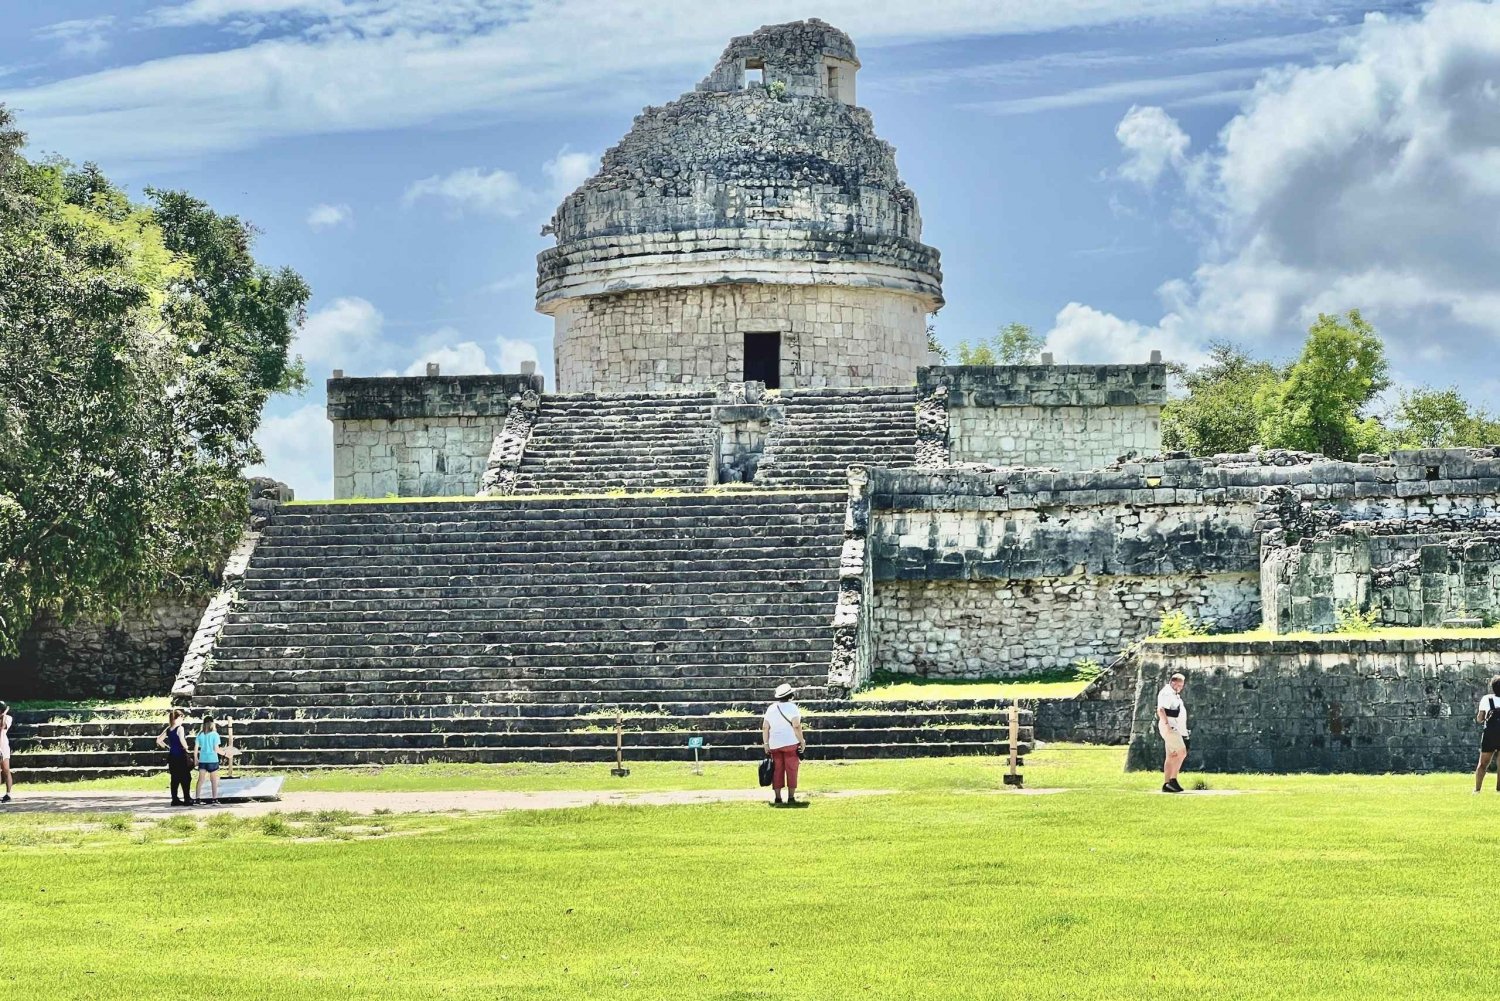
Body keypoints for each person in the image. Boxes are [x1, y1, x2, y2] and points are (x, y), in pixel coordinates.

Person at [762, 682, 807, 808]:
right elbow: (796, 726)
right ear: (790, 695)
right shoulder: (793, 708)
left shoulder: (771, 708)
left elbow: (765, 727)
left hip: (775, 743)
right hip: (790, 742)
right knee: (792, 769)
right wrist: (802, 741)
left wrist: (766, 743)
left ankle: (777, 797)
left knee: (777, 770)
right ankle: (791, 796)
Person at [1156, 672, 1189, 794]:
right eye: (1179, 684)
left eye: (1182, 685)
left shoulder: (1174, 694)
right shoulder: (1167, 693)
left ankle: (1166, 784)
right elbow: (1161, 709)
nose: (1181, 687)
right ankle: (1172, 779)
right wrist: (1166, 725)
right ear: (1173, 682)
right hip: (1170, 727)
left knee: (1171, 756)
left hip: (1175, 727)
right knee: (1182, 752)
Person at [155, 708, 195, 807]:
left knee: (175, 778)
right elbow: (182, 740)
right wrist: (186, 747)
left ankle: (175, 799)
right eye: (182, 717)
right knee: (186, 777)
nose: (182, 720)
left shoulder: (168, 729)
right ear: (177, 718)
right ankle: (187, 798)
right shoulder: (179, 728)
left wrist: (167, 746)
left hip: (172, 756)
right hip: (181, 756)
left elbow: (159, 740)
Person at [1474, 676, 1500, 794]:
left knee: (1483, 764)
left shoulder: (1487, 699)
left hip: (1490, 735)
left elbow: (1480, 719)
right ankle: (1499, 789)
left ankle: (1477, 789)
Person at [195, 714, 223, 806]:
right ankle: (214, 799)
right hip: (212, 760)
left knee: (200, 780)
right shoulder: (215, 735)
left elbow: (196, 748)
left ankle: (197, 798)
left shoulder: (199, 734)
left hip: (203, 759)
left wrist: (196, 758)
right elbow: (216, 749)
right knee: (214, 780)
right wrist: (226, 754)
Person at [0, 701, 12, 804]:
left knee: (6, 770)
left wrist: (4, 714)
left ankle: (8, 794)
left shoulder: (8, 718)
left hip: (3, 747)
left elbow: (2, 726)